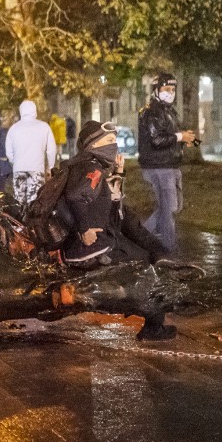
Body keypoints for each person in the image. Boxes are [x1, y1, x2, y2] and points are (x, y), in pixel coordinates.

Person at [59, 120, 175, 340]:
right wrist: (85, 229)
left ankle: (156, 319)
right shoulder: (91, 167)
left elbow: (109, 203)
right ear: (95, 144)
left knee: (146, 250)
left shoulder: (90, 164)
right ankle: (154, 327)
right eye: (109, 141)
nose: (114, 145)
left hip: (101, 239)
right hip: (95, 246)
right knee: (145, 266)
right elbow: (76, 196)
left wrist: (118, 174)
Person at [137, 72, 196, 252]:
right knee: (169, 210)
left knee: (172, 207)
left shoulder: (169, 111)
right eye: (166, 89)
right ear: (156, 90)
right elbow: (157, 140)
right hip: (159, 167)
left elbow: (173, 135)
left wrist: (186, 139)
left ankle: (139, 235)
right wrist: (180, 136)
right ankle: (168, 248)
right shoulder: (151, 112)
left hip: (170, 165)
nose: (170, 93)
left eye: (173, 89)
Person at [5, 100, 57, 207]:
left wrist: (15, 162)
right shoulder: (44, 127)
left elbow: (9, 152)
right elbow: (51, 149)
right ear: (35, 111)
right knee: (34, 202)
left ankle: (20, 222)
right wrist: (50, 167)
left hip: (18, 169)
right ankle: (32, 223)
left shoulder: (14, 129)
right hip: (36, 170)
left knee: (20, 202)